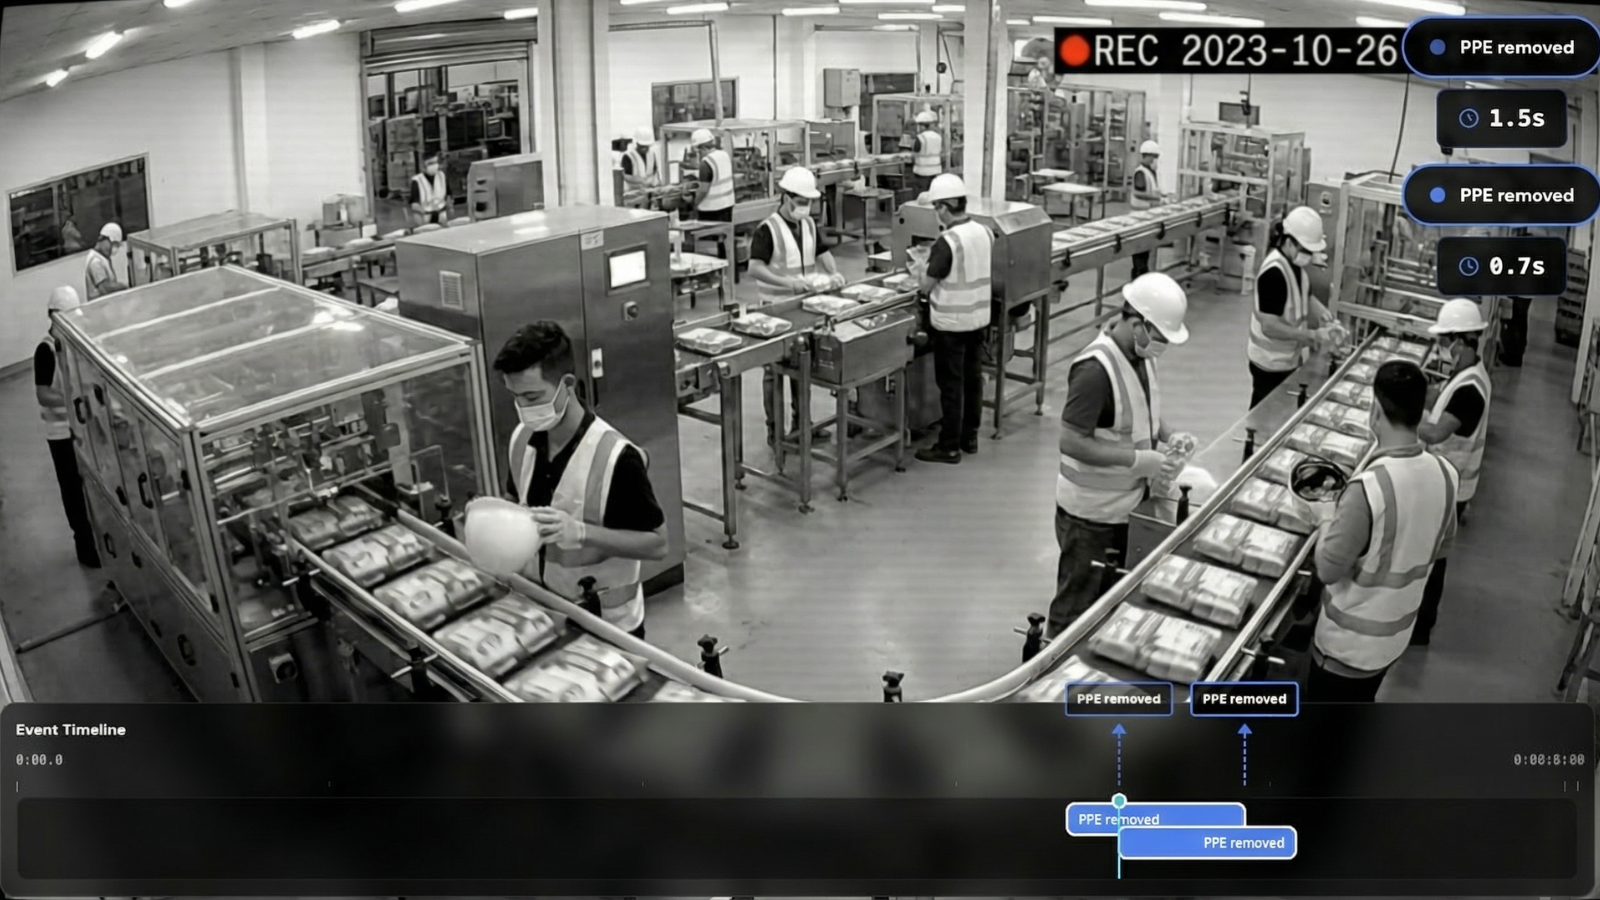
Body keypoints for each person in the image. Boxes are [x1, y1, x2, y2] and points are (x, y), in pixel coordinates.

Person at [496, 322, 668, 638]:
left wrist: (582, 532)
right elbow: (514, 498)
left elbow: (658, 543)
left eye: (533, 397)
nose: (524, 408)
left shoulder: (616, 457)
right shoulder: (522, 439)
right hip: (540, 611)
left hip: (606, 626)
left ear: (568, 384)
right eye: (516, 397)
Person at [1306, 360, 1459, 702]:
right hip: (1394, 635)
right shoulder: (1447, 474)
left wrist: (1324, 516)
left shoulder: (1368, 489)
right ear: (1421, 411)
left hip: (1346, 648)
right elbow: (1442, 547)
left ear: (1375, 410)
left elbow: (1329, 569)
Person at [1050, 272, 1191, 639]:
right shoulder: (1095, 370)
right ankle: (1048, 682)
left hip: (1123, 507)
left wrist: (1170, 434)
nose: (1161, 346)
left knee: (1105, 601)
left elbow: (1142, 410)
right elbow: (1071, 441)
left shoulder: (1139, 355)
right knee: (1075, 610)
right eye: (1159, 337)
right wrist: (1138, 461)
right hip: (1090, 517)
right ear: (1136, 323)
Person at [1413, 299, 1491, 647]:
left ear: (1461, 341)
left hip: (1451, 486)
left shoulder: (1471, 391)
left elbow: (1434, 433)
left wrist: (1398, 412)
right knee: (1432, 554)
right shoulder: (1468, 374)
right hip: (1448, 480)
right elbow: (1441, 399)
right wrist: (1417, 391)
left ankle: (1420, 628)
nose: (1444, 348)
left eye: (1446, 341)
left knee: (1432, 557)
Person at [749, 166, 845, 443]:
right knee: (774, 372)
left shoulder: (808, 224)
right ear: (786, 197)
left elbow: (821, 251)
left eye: (809, 202)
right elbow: (755, 268)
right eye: (802, 202)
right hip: (776, 310)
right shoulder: (767, 229)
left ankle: (803, 426)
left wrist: (833, 273)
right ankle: (775, 431)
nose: (806, 207)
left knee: (802, 368)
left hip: (805, 308)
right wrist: (786, 283)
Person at [910, 174, 992, 465]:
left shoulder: (947, 241)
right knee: (972, 380)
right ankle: (969, 437)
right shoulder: (984, 231)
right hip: (979, 318)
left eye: (936, 208)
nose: (935, 214)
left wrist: (920, 270)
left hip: (952, 324)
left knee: (951, 385)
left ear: (944, 208)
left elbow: (927, 285)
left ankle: (949, 446)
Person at [1247, 206, 1338, 408]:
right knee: (1263, 416)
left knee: (1279, 412)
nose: (1308, 256)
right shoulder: (1274, 274)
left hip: (1287, 359)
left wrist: (1322, 313)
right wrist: (1312, 336)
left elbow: (1304, 294)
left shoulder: (1294, 266)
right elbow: (1269, 326)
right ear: (1289, 242)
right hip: (1269, 362)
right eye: (1305, 250)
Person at [36, 286, 100, 569]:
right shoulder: (45, 350)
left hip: (81, 430)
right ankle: (85, 548)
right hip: (60, 433)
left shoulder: (73, 345)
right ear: (53, 316)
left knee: (90, 490)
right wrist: (74, 401)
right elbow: (43, 394)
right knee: (72, 491)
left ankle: (98, 541)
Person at [689, 129, 736, 223]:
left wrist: (694, 204)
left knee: (709, 237)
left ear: (701, 148)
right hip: (728, 205)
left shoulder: (706, 163)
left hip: (711, 210)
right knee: (724, 235)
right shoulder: (724, 155)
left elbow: (703, 190)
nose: (698, 154)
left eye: (697, 151)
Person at [85, 223, 126, 301]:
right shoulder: (95, 262)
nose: (113, 248)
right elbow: (105, 288)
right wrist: (123, 287)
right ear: (103, 239)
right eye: (113, 244)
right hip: (99, 308)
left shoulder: (103, 258)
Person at [409, 154, 451, 227]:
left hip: (441, 213)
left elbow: (448, 196)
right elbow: (414, 204)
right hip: (425, 216)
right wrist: (422, 218)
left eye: (435, 162)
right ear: (423, 166)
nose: (434, 166)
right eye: (430, 163)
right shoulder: (416, 180)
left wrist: (449, 210)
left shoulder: (442, 176)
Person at [910, 110, 943, 196]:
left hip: (921, 173)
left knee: (920, 197)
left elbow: (915, 151)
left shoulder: (920, 138)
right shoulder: (938, 137)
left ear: (922, 126)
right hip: (936, 172)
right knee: (933, 196)